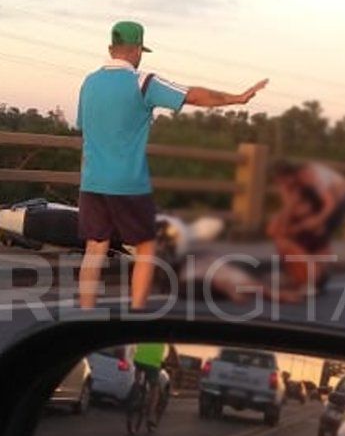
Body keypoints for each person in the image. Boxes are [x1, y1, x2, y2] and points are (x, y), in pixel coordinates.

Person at [76, 20, 269, 310]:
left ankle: (85, 315)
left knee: (95, 246)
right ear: (138, 50)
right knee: (146, 246)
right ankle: (136, 313)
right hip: (129, 183)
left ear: (110, 49)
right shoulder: (143, 82)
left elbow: (84, 128)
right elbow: (193, 95)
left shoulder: (89, 83)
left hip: (91, 181)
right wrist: (236, 98)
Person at [266, 161, 345, 293]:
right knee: (283, 238)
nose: (283, 185)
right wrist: (285, 219)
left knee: (317, 233)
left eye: (284, 181)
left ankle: (316, 276)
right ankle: (299, 276)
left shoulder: (311, 178)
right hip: (312, 209)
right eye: (279, 182)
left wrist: (317, 221)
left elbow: (330, 203)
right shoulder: (289, 185)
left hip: (339, 197)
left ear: (292, 175)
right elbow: (287, 209)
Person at [132, 341, 168, 427]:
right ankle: (149, 417)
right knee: (154, 390)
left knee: (137, 380)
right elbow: (166, 354)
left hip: (138, 359)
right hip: (153, 364)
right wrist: (162, 361)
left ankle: (135, 394)